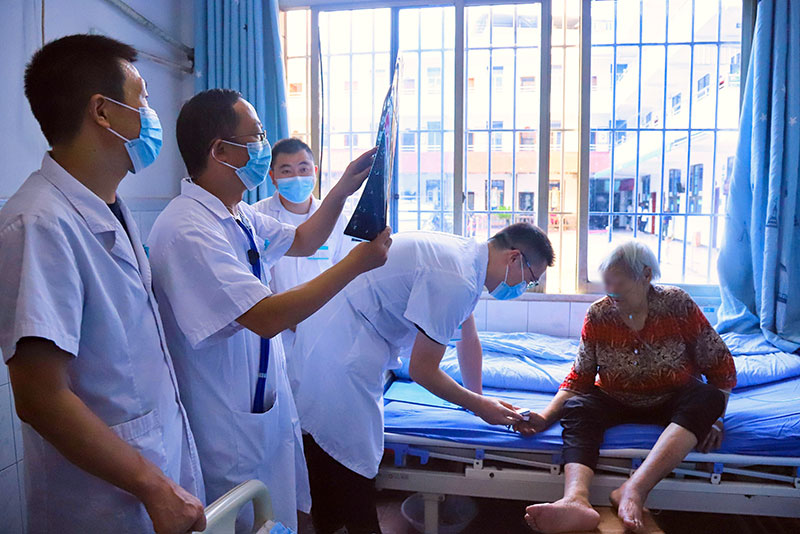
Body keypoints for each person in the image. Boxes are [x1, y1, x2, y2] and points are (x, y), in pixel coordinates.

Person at [147, 88, 391, 531]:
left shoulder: (236, 213)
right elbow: (266, 317)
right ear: (221, 151)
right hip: (226, 429)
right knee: (245, 520)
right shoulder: (189, 229)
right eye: (256, 137)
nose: (264, 147)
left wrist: (341, 189)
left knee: (279, 514)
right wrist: (357, 263)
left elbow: (303, 240)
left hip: (261, 413)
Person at [0, 35, 205, 533]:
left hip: (149, 471)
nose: (151, 114)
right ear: (103, 112)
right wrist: (153, 485)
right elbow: (40, 397)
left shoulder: (106, 207)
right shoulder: (40, 223)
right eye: (142, 99)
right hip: (99, 504)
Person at [294, 222, 555, 534]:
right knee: (350, 458)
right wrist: (480, 406)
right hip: (340, 347)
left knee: (341, 454)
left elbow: (468, 338)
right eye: (529, 280)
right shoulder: (457, 277)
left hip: (347, 336)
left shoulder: (467, 261)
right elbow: (422, 370)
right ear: (514, 258)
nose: (524, 288)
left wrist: (478, 401)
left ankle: (335, 523)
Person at [516, 241, 736, 533]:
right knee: (578, 407)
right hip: (614, 396)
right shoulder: (599, 314)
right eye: (606, 284)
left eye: (618, 285)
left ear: (646, 275)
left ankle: (633, 490)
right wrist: (545, 417)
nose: (611, 293)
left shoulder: (677, 305)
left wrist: (717, 418)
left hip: (671, 396)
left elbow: (721, 367)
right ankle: (575, 500)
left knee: (708, 398)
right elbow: (580, 377)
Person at [252, 137, 353, 393]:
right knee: (281, 397)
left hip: (325, 329)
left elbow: (346, 275)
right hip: (278, 332)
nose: (297, 177)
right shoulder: (257, 218)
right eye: (286, 171)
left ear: (315, 172)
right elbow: (255, 280)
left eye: (303, 168)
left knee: (322, 397)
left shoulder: (336, 219)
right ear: (273, 177)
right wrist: (290, 317)